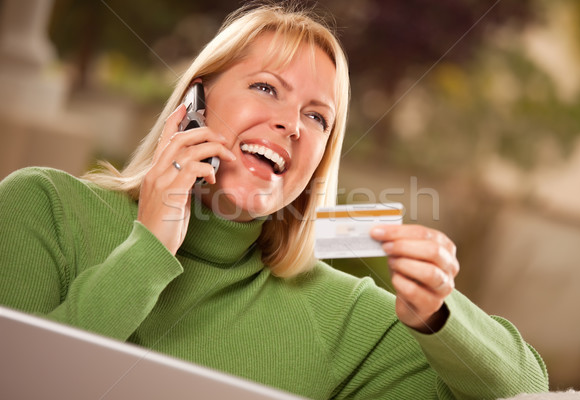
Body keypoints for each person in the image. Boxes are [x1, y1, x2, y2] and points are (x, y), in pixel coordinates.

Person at [0, 3, 548, 399]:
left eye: (317, 117)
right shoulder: (43, 207)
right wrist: (148, 249)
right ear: (193, 103)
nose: (290, 124)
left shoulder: (348, 315)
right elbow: (20, 383)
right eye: (266, 88)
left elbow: (526, 392)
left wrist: (439, 314)